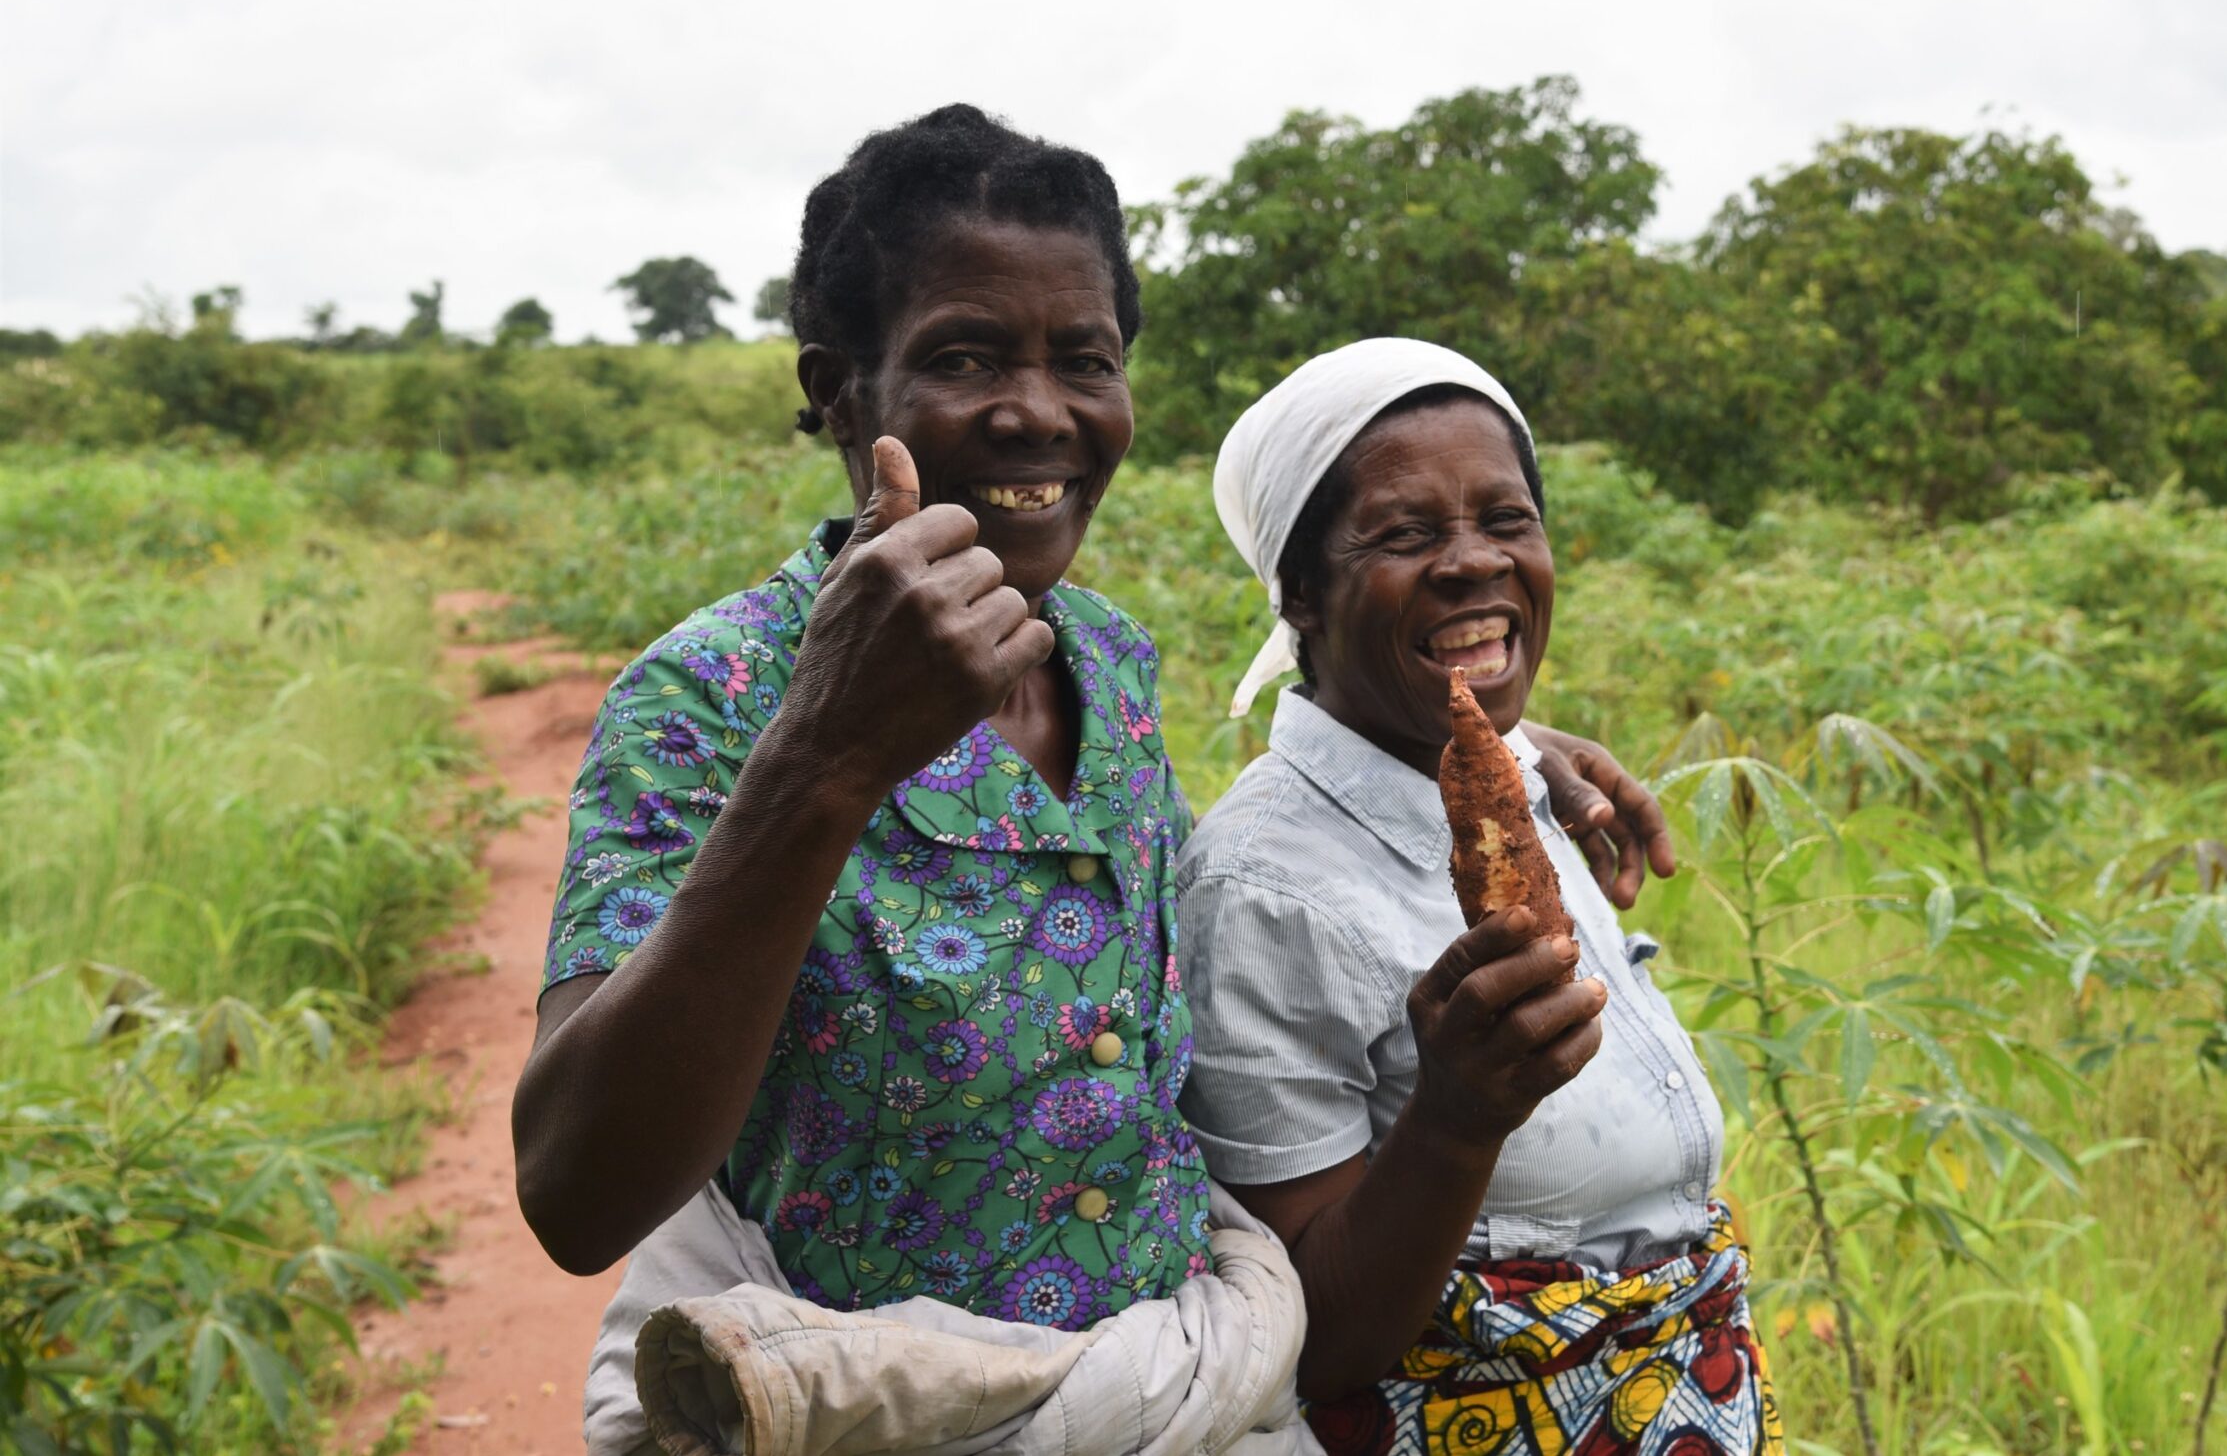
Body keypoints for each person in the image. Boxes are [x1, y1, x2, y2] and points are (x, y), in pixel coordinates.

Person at [509, 108, 1677, 1429]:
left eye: (1086, 359)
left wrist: (1506, 751)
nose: (1038, 412)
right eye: (964, 357)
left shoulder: (1108, 660)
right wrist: (826, 757)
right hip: (899, 1407)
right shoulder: (708, 699)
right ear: (840, 392)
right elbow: (575, 1191)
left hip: (1172, 1381)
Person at [1179, 339, 1785, 1455]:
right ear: (1299, 592)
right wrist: (1455, 1118)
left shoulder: (1513, 782)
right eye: (1405, 534)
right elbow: (1312, 1343)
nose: (1474, 563)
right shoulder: (1260, 889)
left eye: (1506, 519)